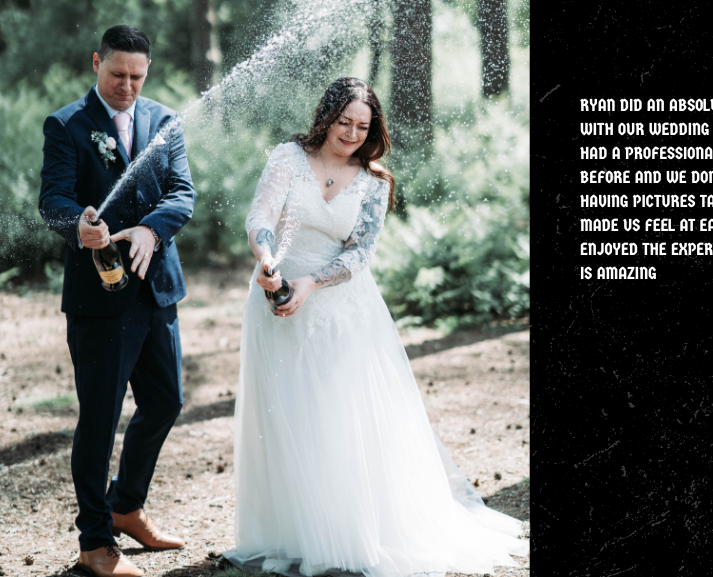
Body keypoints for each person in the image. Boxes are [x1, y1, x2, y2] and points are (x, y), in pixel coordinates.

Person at [223, 77, 528, 576]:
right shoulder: (287, 158)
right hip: (272, 298)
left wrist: (310, 285)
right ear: (326, 116)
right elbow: (261, 215)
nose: (351, 133)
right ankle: (296, 531)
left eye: (363, 126)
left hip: (341, 311)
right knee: (285, 417)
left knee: (336, 418)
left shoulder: (374, 182)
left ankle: (349, 533)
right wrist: (267, 257)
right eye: (344, 122)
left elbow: (359, 253)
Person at [38, 25, 197, 577]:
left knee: (167, 401)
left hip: (157, 291)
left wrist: (153, 229)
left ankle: (126, 505)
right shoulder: (66, 125)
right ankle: (95, 544)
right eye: (117, 75)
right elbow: (54, 198)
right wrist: (75, 224)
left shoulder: (165, 120)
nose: (128, 86)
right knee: (100, 420)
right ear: (95, 64)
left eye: (137, 76)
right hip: (99, 300)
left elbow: (183, 192)